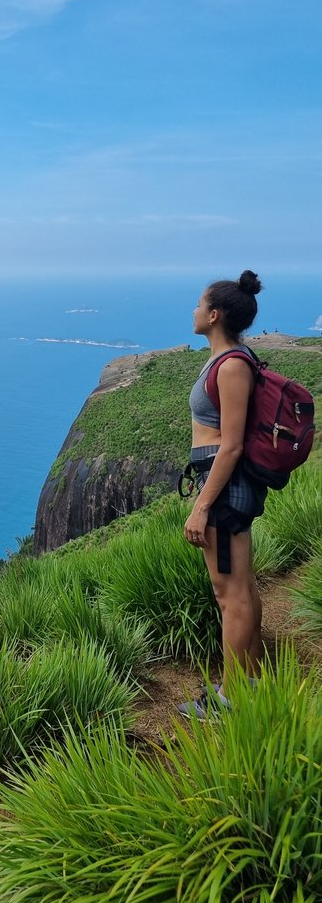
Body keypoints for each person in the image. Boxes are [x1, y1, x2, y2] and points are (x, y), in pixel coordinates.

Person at [179, 270, 265, 720]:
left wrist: (201, 506)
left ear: (213, 315)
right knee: (241, 586)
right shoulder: (228, 360)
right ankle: (248, 681)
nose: (193, 310)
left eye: (199, 303)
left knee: (228, 592)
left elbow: (230, 444)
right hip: (224, 481)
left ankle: (230, 700)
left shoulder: (231, 365)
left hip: (223, 484)